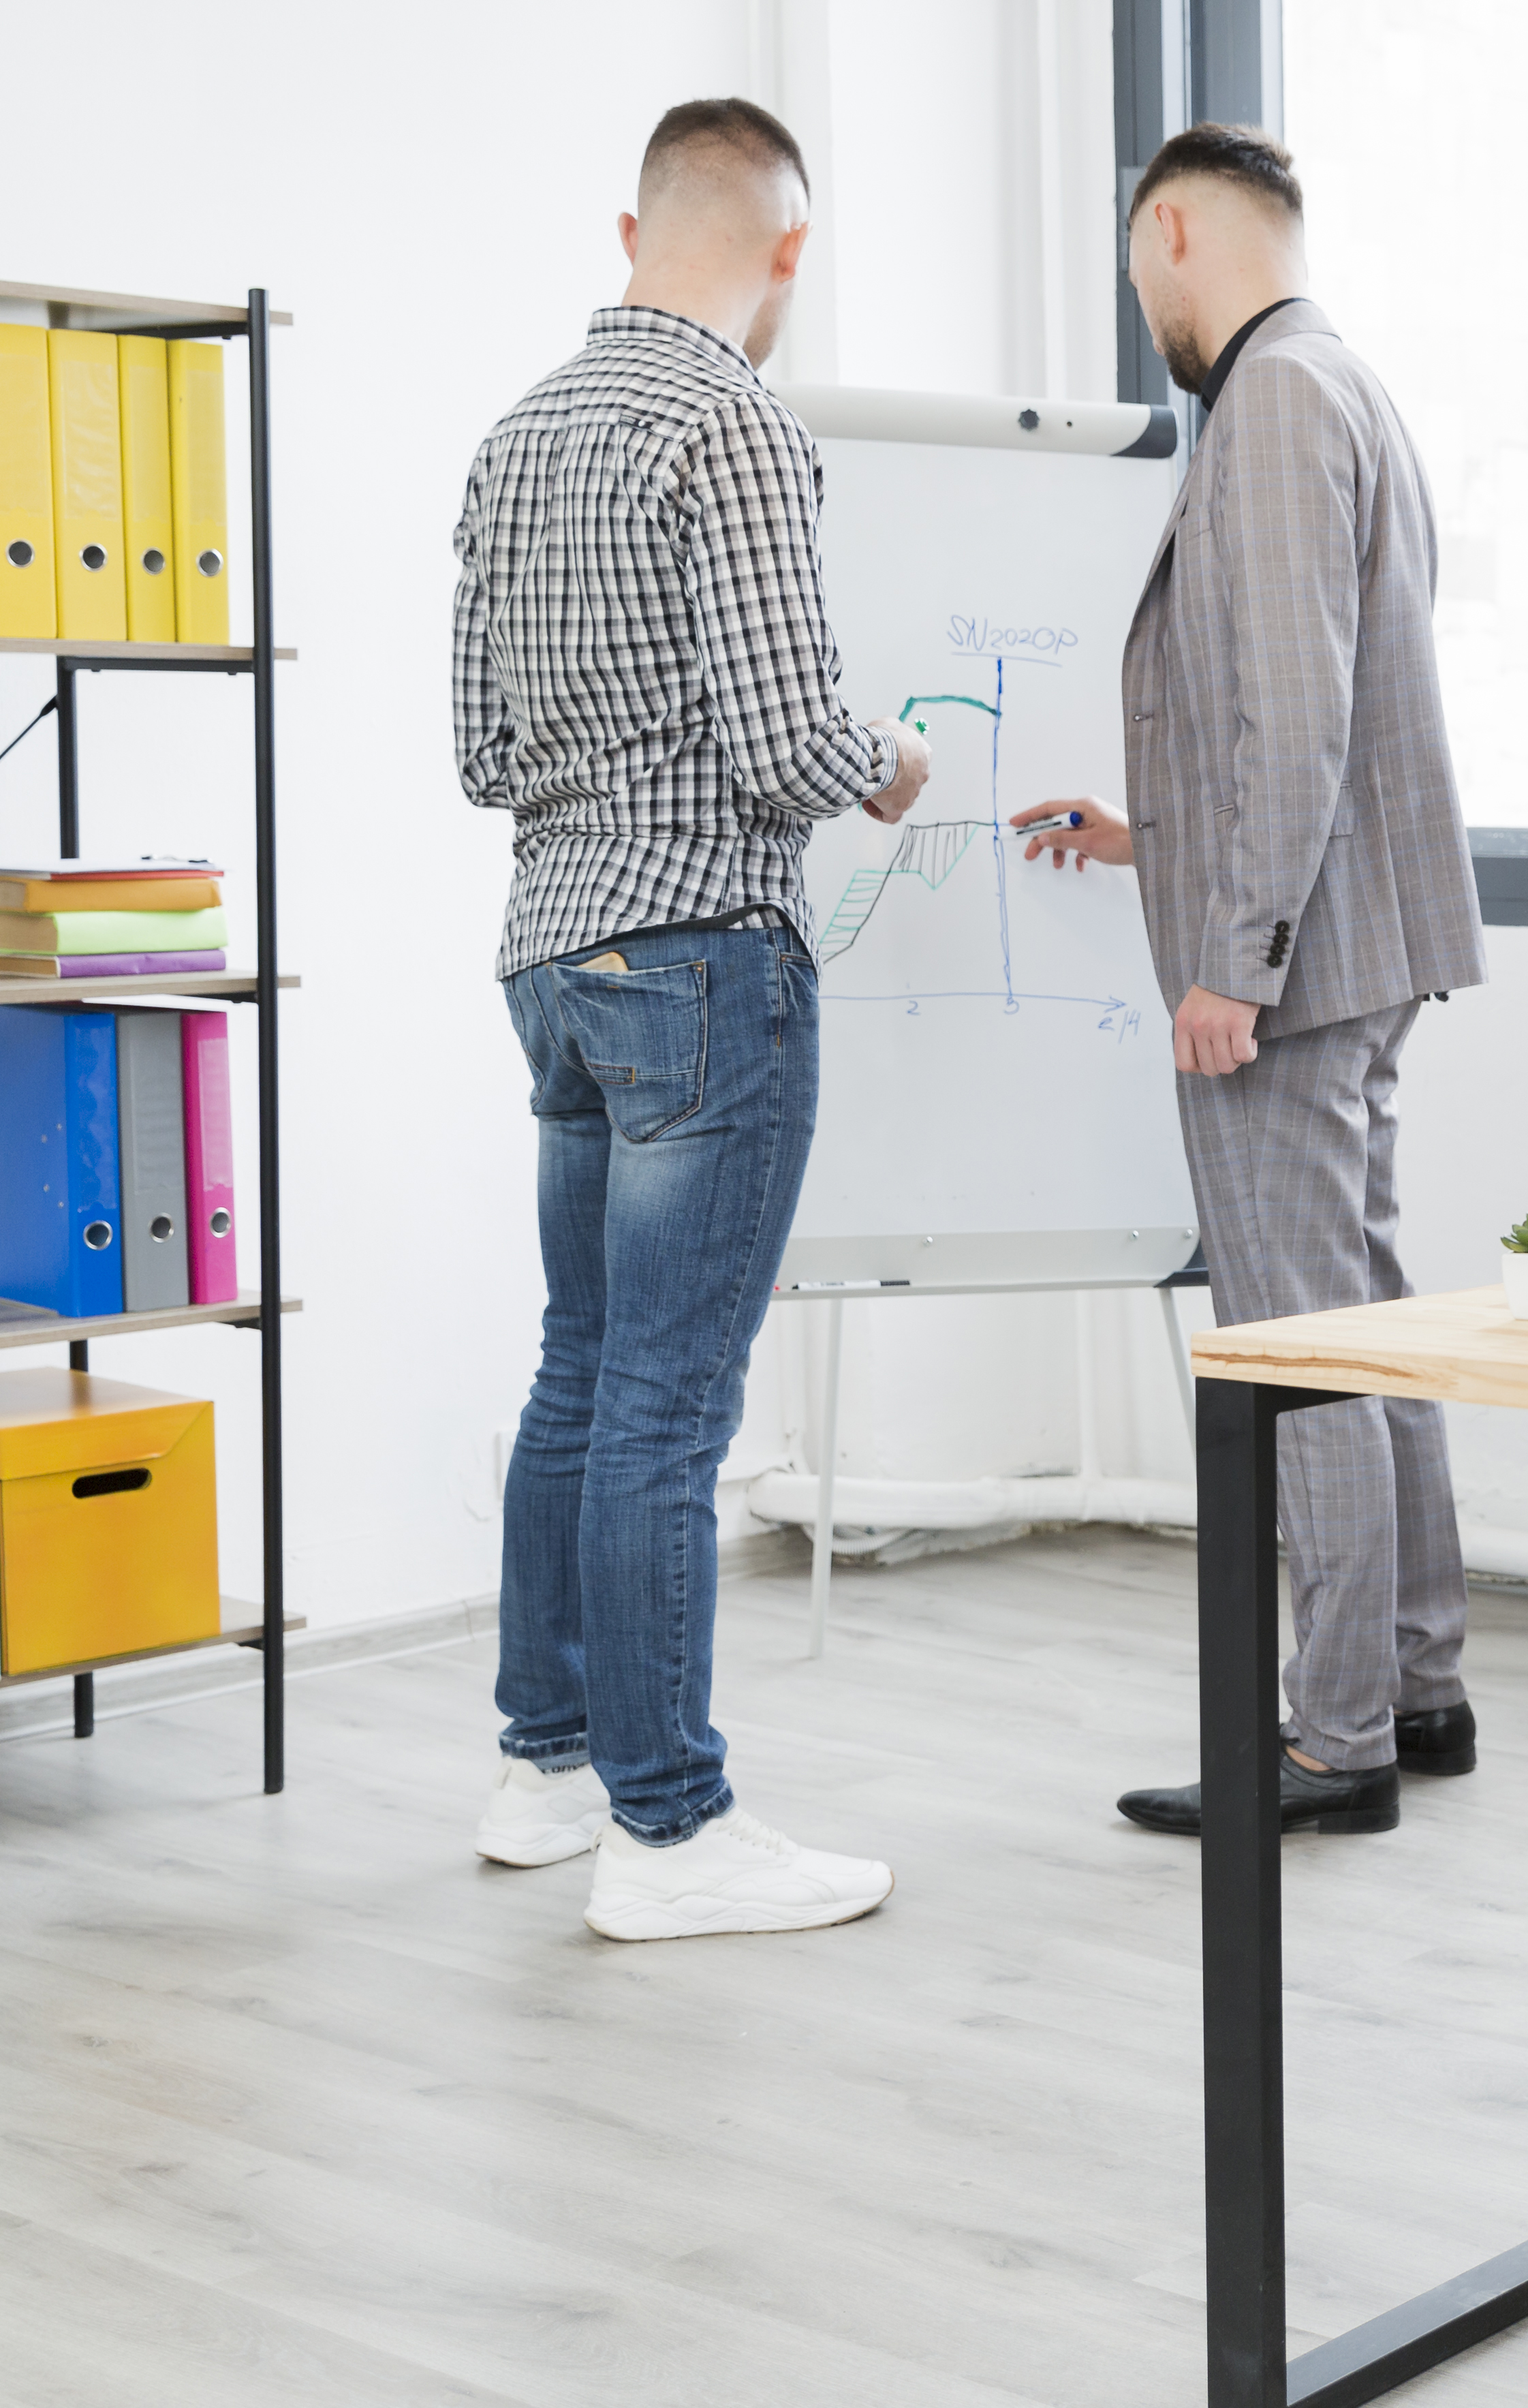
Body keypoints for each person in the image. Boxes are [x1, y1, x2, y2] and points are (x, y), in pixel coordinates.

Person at [453, 98, 934, 1941]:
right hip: (701, 960)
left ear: (632, 224)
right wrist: (886, 758)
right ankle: (669, 1828)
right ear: (785, 254)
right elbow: (782, 736)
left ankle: (544, 1764)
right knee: (666, 1398)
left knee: (582, 1368)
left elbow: (480, 752)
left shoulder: (513, 440)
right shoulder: (734, 427)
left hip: (550, 955)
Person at [1011, 124, 1486, 1838]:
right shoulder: (1338, 383)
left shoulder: (1276, 402)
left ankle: (1331, 1739)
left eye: (1137, 263)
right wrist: (1160, 845)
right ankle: (1415, 1686)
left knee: (1293, 1342)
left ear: (1173, 229)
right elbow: (1315, 722)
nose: (1139, 296)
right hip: (1347, 941)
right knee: (1361, 1319)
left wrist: (1235, 963)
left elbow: (1298, 716)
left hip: (1294, 969)